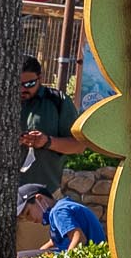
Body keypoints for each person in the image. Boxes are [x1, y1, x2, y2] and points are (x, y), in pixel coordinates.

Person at [19, 55, 84, 195]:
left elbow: (79, 145)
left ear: (40, 78)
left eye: (29, 84)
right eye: (17, 84)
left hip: (43, 194)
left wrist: (47, 142)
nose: (22, 89)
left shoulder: (57, 101)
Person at [19, 184, 107, 254]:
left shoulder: (58, 212)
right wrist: (37, 254)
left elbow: (79, 238)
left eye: (28, 213)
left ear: (40, 199)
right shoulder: (64, 205)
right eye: (25, 218)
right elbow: (55, 241)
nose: (29, 219)